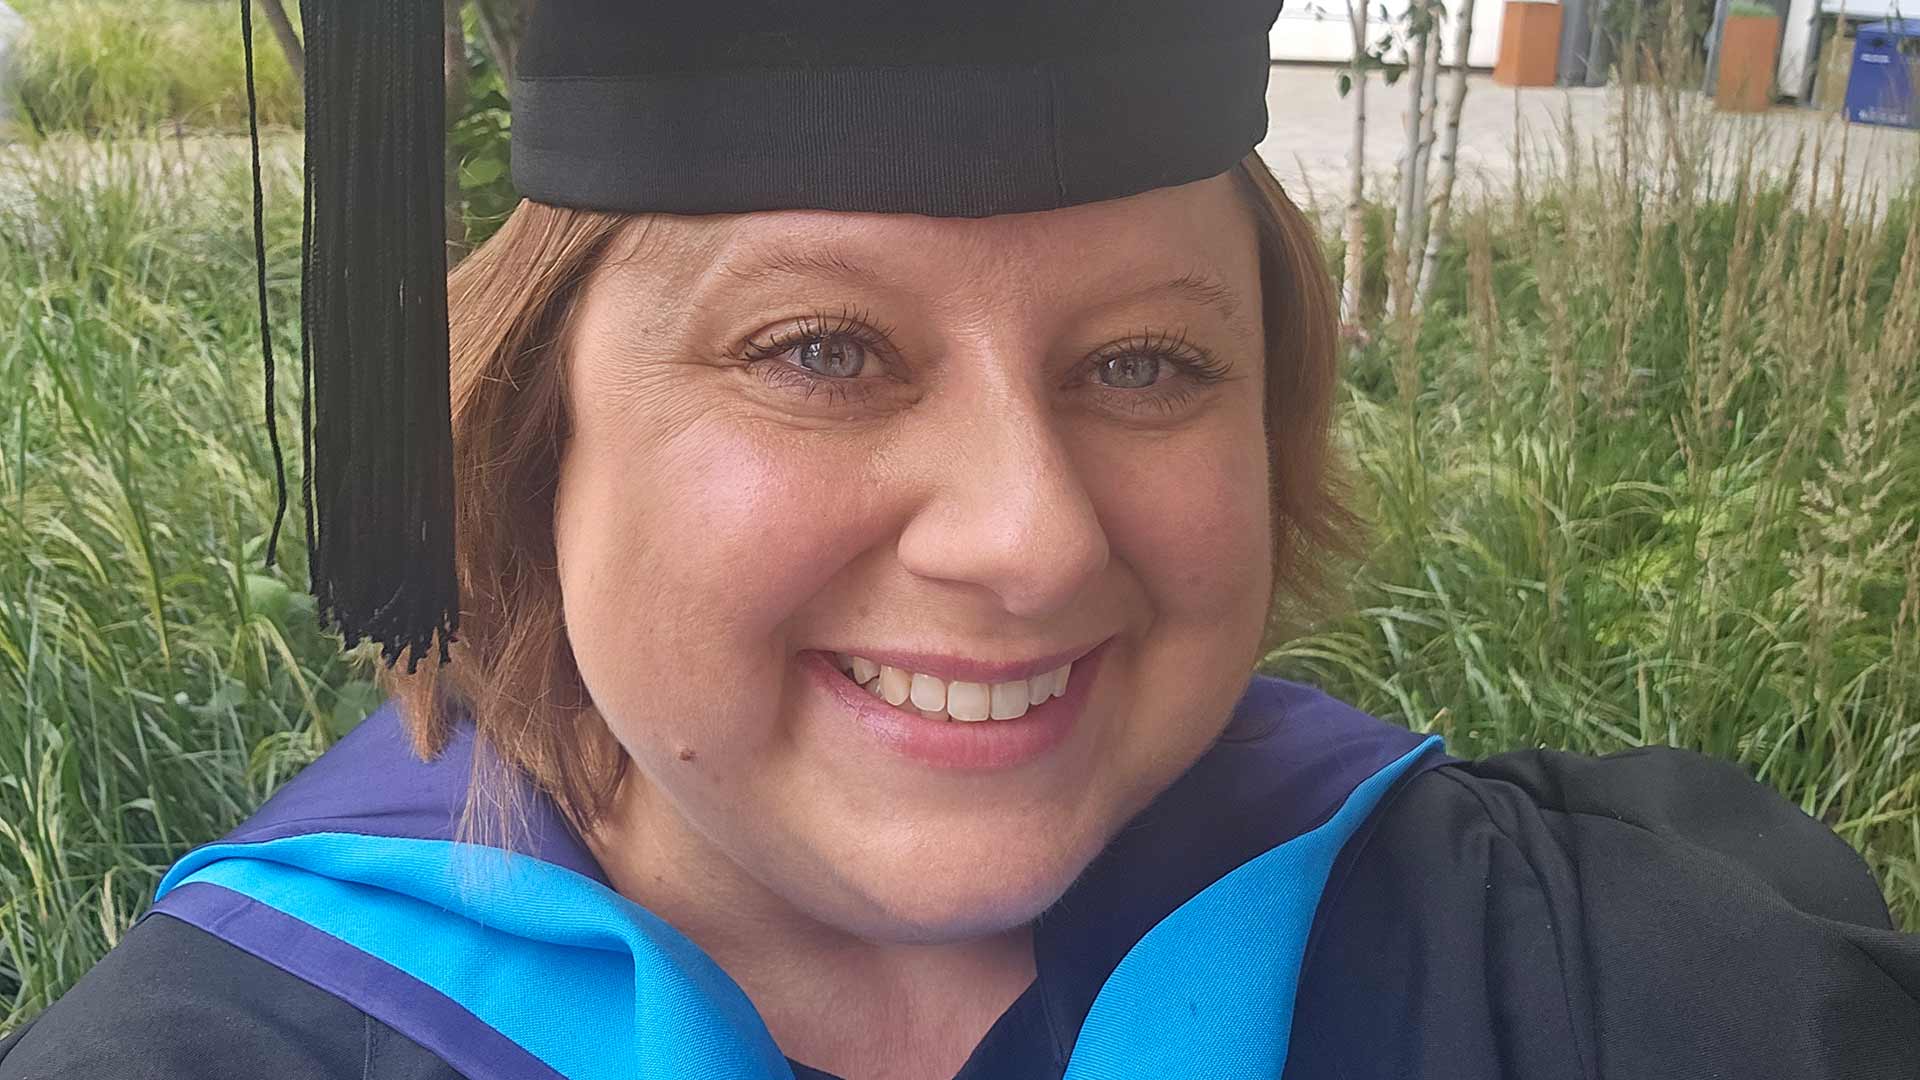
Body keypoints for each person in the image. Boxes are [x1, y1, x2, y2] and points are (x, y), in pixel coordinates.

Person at [3, 2, 1917, 1078]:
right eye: (822, 349)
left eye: (1150, 360)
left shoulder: (1596, 982)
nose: (1026, 533)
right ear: (525, 435)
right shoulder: (236, 1051)